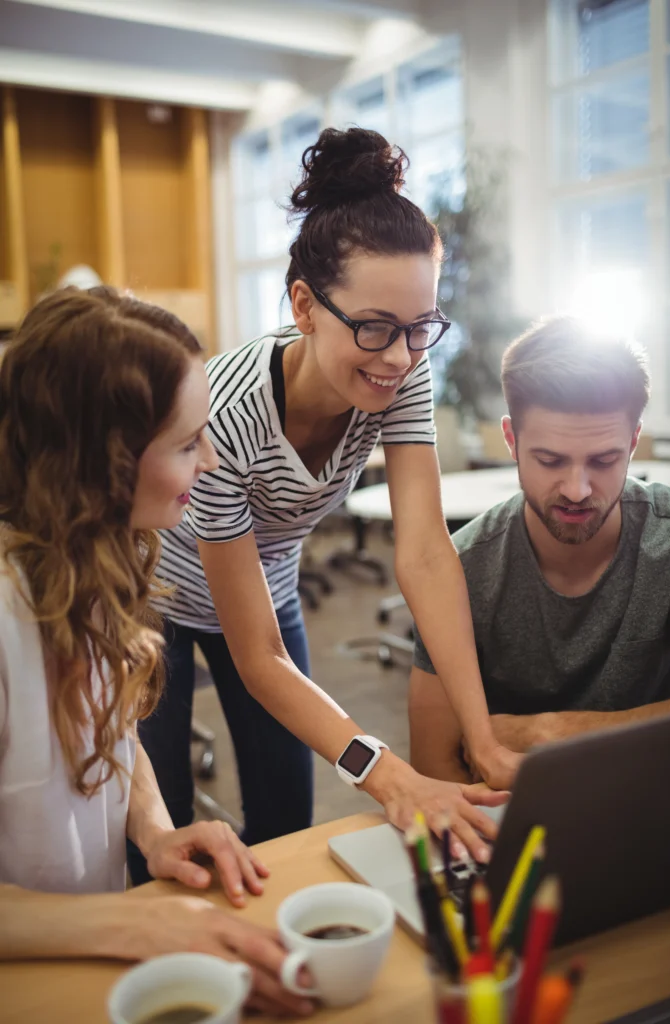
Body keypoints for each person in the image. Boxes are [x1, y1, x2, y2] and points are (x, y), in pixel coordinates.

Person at [130, 126, 515, 882]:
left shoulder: (400, 379)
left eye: (419, 330)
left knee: (284, 821)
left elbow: (425, 553)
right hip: (159, 603)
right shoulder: (229, 414)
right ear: (304, 305)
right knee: (163, 832)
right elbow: (257, 657)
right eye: (373, 327)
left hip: (267, 593)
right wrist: (388, 773)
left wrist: (484, 737)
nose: (398, 357)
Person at [0, 288, 315, 1018]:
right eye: (185, 443)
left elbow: (110, 735)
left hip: (90, 963)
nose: (209, 460)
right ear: (102, 463)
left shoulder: (92, 564)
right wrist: (132, 921)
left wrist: (155, 829)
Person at [409, 316, 670, 782]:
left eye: (603, 460)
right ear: (512, 441)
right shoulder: (459, 568)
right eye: (550, 460)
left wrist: (555, 732)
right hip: (510, 826)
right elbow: (436, 769)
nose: (577, 490)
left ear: (634, 442)